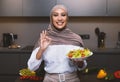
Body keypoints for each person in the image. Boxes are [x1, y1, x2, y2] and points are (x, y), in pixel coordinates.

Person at [27, 4, 87, 82]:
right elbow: (31, 67)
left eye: (63, 15)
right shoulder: (44, 39)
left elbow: (82, 67)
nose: (59, 18)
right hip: (50, 79)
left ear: (67, 18)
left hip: (72, 79)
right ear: (51, 18)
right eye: (55, 15)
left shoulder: (76, 39)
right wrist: (41, 49)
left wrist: (79, 62)